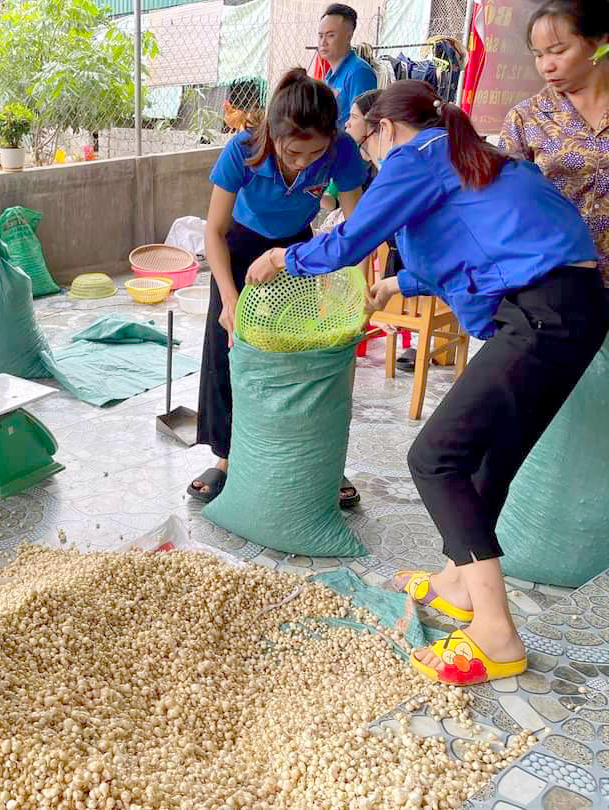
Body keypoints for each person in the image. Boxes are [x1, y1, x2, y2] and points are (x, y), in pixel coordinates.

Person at [245, 80, 607, 686]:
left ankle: (495, 633)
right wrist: (396, 286)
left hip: (544, 314)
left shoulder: (417, 155)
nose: (369, 162)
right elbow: (466, 255)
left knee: (434, 458)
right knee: (487, 459)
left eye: (366, 145)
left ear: (385, 129)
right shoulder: (458, 160)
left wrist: (285, 258)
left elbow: (350, 241)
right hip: (566, 308)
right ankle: (456, 586)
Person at [189, 68, 366, 507]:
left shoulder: (341, 152)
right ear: (273, 133)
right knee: (227, 350)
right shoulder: (243, 149)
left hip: (297, 252)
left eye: (314, 153)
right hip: (240, 250)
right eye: (293, 152)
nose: (304, 163)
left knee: (306, 355)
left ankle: (319, 456)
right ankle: (226, 457)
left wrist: (348, 290)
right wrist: (228, 300)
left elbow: (357, 228)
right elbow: (213, 231)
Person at [500, 0, 608, 283]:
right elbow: (504, 202)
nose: (546, 65)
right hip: (555, 282)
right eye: (538, 55)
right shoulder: (526, 118)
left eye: (559, 51)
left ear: (599, 42)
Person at [346, 90, 418, 372]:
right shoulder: (369, 167)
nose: (347, 125)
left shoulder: (393, 174)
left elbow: (358, 236)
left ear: (380, 126)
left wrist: (282, 258)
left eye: (353, 118)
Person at [318, 3, 377, 212]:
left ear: (349, 36)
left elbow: (362, 130)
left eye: (331, 35)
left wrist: (334, 189)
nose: (323, 42)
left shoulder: (359, 73)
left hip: (347, 171)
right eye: (320, 35)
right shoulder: (328, 77)